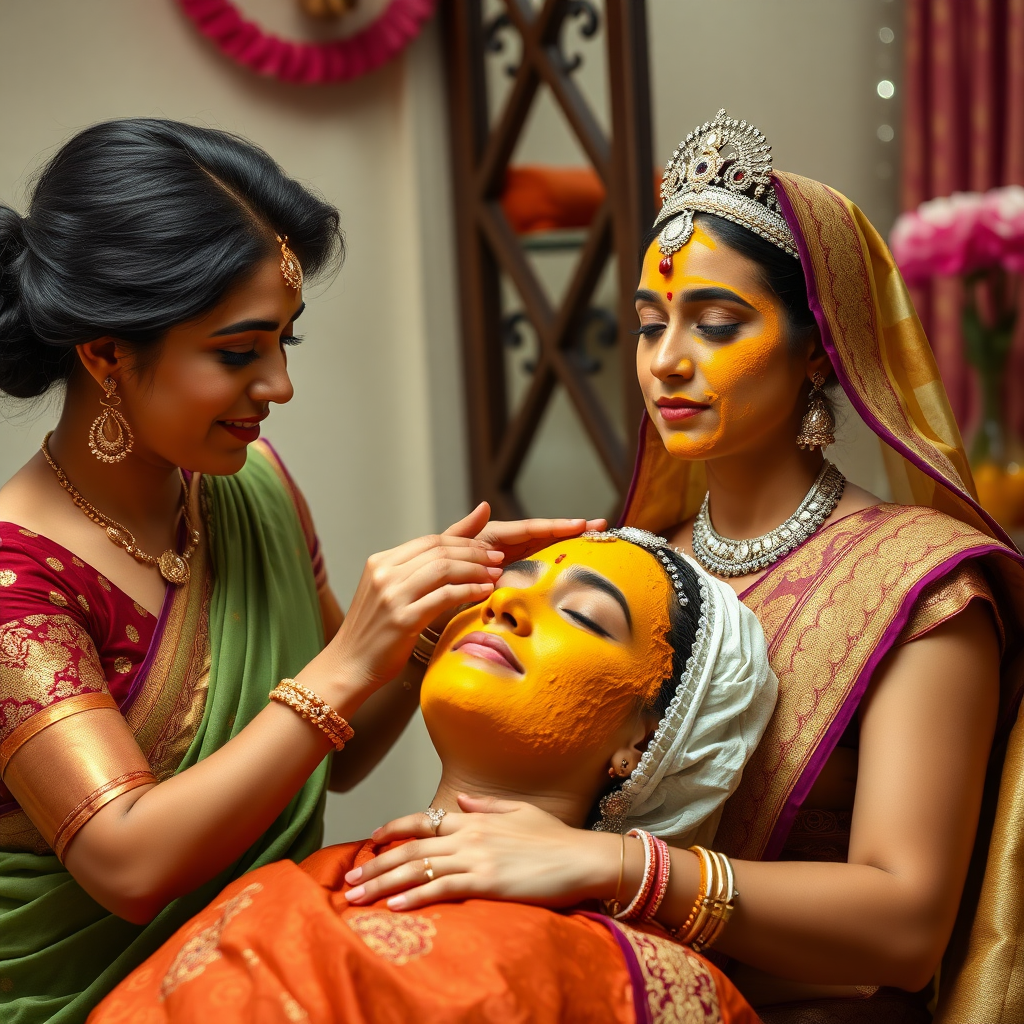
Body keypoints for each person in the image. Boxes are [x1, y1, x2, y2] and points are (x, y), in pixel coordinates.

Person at [346, 111, 1024, 1022]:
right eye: (649, 323)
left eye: (716, 324)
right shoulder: (626, 572)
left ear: (819, 349)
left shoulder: (923, 586)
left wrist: (619, 866)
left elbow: (903, 928)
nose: (667, 362)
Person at [0, 118, 602, 1023]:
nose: (278, 385)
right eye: (239, 352)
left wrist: (431, 619)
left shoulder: (250, 487)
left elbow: (336, 755)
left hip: (260, 981)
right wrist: (351, 657)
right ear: (105, 354)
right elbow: (126, 864)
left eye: (289, 341)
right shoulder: (20, 581)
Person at [87, 529, 777, 1024]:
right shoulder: (287, 888)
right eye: (501, 589)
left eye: (581, 614)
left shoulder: (654, 990)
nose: (503, 606)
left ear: (648, 737)